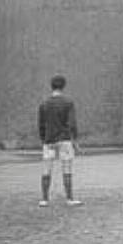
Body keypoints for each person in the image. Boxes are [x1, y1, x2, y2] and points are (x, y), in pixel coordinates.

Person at [37, 75, 83, 207]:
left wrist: (43, 138)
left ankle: (44, 199)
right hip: (64, 139)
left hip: (49, 140)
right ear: (63, 86)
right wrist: (75, 139)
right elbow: (72, 123)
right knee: (67, 169)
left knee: (46, 169)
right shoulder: (68, 102)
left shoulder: (44, 103)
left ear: (51, 86)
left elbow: (41, 124)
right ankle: (69, 199)